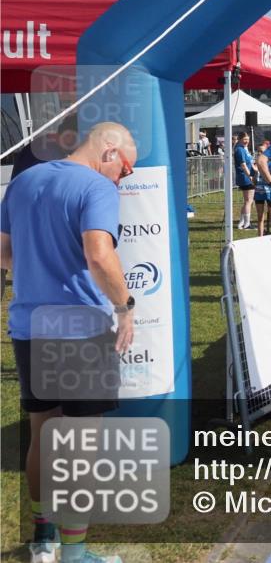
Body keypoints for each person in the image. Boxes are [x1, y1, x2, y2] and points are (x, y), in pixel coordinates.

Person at [1, 122, 137, 563]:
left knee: (43, 433)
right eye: (126, 169)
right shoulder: (96, 187)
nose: (123, 178)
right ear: (110, 151)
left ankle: (44, 536)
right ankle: (75, 553)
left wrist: (40, 266)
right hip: (81, 330)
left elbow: (3, 252)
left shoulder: (24, 181)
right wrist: (125, 306)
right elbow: (99, 254)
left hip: (30, 325)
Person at [253, 140, 271, 236]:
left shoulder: (270, 165)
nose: (260, 153)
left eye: (262, 151)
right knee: (260, 217)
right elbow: (254, 182)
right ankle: (260, 237)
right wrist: (256, 172)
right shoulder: (255, 165)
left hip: (269, 192)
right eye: (258, 151)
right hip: (259, 193)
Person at [233, 131, 256, 230]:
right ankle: (247, 224)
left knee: (247, 201)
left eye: (248, 139)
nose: (247, 141)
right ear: (240, 139)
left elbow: (249, 162)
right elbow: (243, 164)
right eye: (245, 139)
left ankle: (241, 223)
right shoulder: (240, 149)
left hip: (245, 177)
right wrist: (250, 175)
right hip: (245, 177)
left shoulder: (243, 149)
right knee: (249, 201)